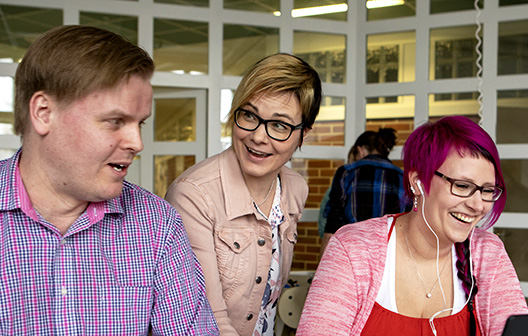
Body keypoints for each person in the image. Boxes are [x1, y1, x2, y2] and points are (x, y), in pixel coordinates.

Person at [1, 25, 218, 334]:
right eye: (115, 121)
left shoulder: (157, 225)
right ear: (44, 112)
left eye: (139, 123)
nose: (137, 143)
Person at [298, 116, 528, 335]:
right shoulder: (353, 249)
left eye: (487, 190)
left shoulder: (487, 253)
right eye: (461, 186)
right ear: (418, 182)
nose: (478, 205)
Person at [165, 53, 322, 335]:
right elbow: (207, 317)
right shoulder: (194, 195)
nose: (258, 136)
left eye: (279, 125)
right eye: (249, 115)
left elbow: (267, 301)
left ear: (303, 134)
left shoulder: (295, 188)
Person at [321, 128, 409, 253]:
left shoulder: (347, 173)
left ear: (360, 150)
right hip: (389, 253)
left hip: (351, 251)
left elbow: (333, 223)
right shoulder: (402, 177)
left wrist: (324, 261)